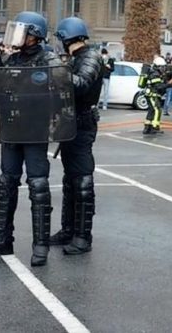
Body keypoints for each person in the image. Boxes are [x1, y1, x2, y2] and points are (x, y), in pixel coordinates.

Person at [0, 12, 63, 266]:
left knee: (38, 186)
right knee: (6, 182)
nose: (17, 36)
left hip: (35, 132)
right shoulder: (11, 59)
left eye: (22, 32)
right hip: (13, 129)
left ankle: (40, 244)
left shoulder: (49, 59)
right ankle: (2, 238)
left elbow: (58, 93)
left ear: (34, 35)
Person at [49, 16, 103, 255]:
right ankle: (68, 230)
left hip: (82, 124)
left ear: (67, 37)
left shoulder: (90, 56)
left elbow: (81, 84)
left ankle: (83, 236)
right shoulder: (76, 58)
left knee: (82, 180)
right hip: (72, 123)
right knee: (70, 180)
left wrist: (57, 71)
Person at [139, 56, 168, 135]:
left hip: (150, 94)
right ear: (158, 66)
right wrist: (167, 85)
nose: (163, 69)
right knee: (157, 110)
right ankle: (155, 127)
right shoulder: (155, 74)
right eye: (162, 67)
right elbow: (158, 86)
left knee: (151, 110)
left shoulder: (153, 72)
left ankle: (147, 127)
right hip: (153, 95)